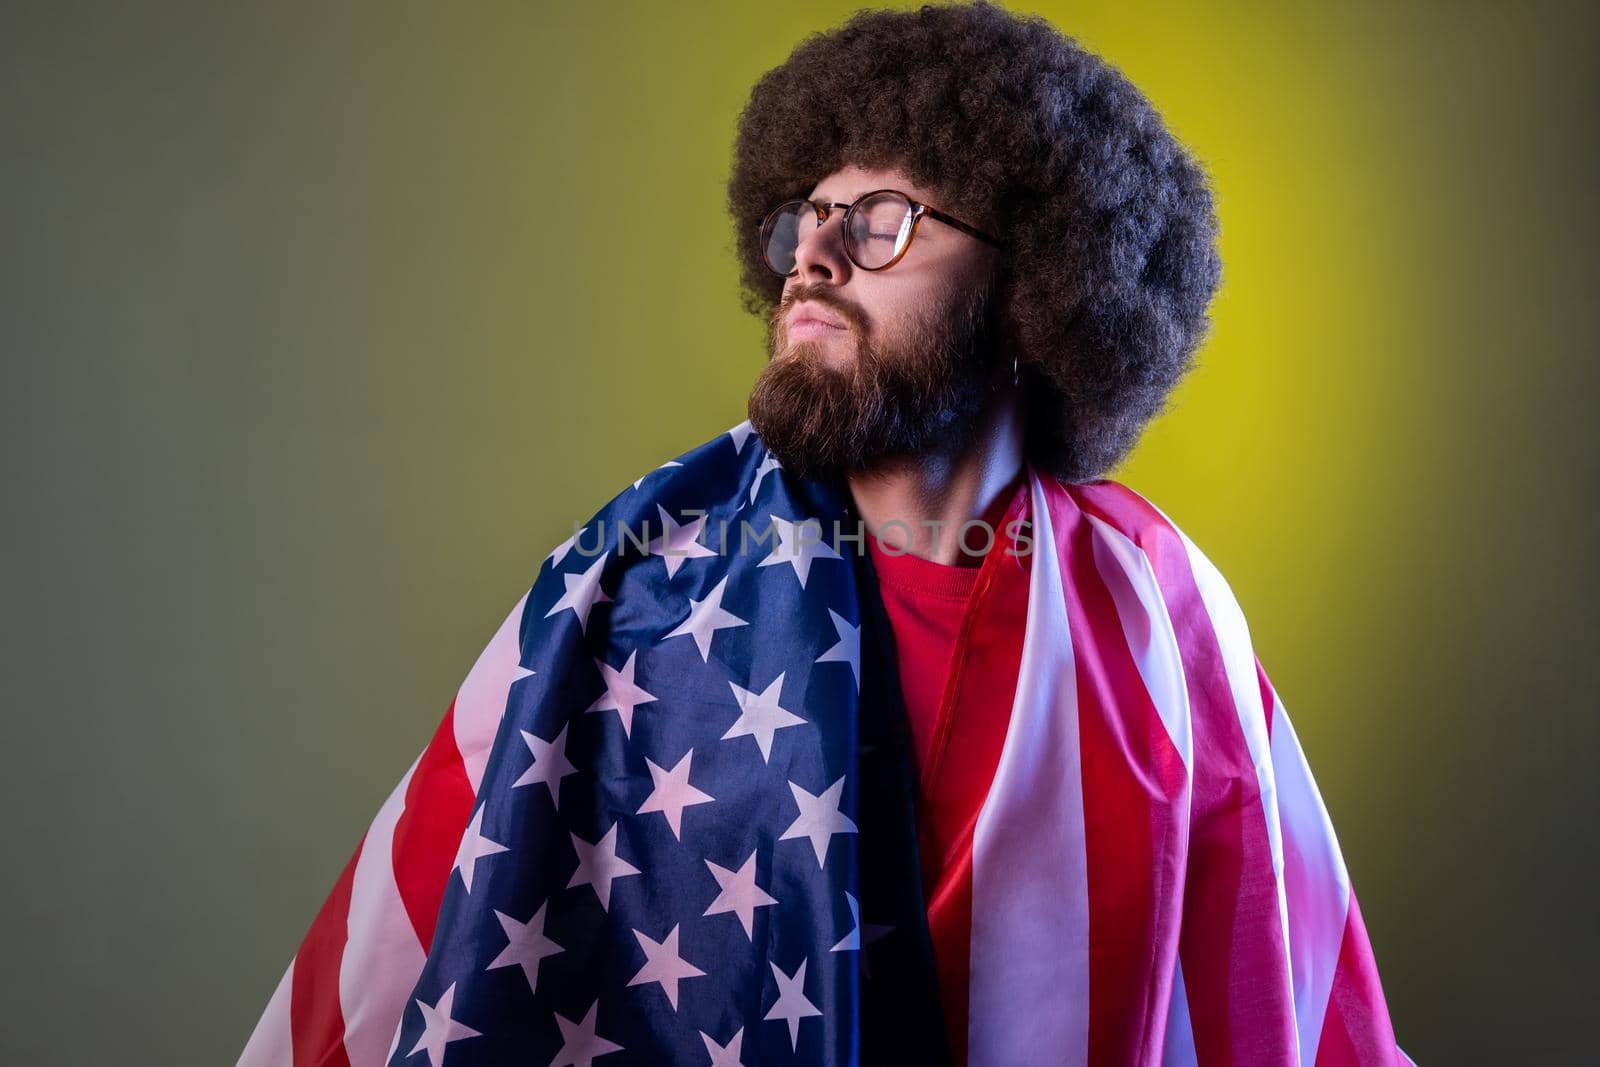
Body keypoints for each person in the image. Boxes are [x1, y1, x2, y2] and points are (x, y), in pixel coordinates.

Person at [240, 3, 1411, 1064]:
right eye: (807, 218)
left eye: (885, 219)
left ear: (1038, 286)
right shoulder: (635, 581)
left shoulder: (1163, 608)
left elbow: (1298, 989)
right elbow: (415, 944)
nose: (813, 250)